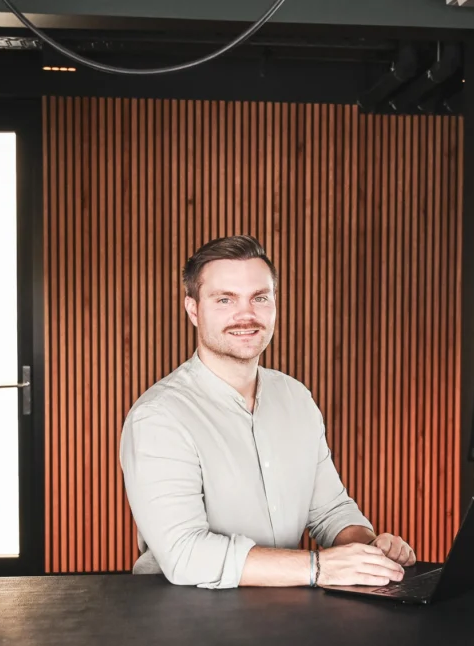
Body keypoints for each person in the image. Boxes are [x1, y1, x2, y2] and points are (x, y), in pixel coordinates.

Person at [119, 235, 416, 589]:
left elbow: (331, 511)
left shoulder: (296, 397)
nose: (246, 315)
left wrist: (369, 549)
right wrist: (319, 567)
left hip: (283, 615)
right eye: (225, 299)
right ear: (193, 310)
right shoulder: (159, 417)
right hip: (186, 622)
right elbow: (186, 555)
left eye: (259, 298)